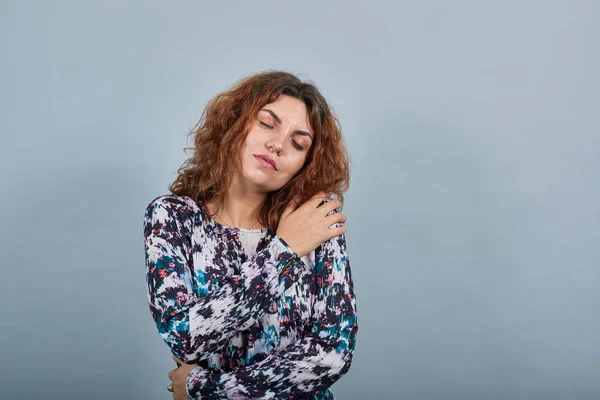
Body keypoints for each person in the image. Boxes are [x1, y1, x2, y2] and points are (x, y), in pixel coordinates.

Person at [143, 70, 358, 399]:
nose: (277, 145)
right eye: (266, 123)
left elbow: (331, 357)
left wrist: (203, 387)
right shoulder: (172, 217)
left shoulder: (317, 225)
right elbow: (185, 337)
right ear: (235, 122)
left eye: (298, 143)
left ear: (306, 163)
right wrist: (284, 252)